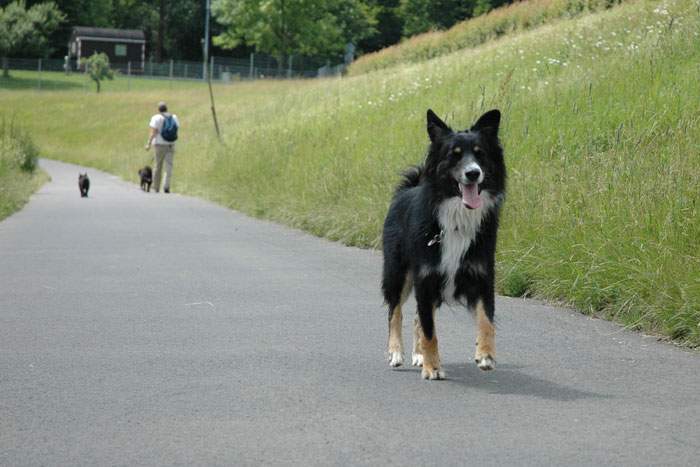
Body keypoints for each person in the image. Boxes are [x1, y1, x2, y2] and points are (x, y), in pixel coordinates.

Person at [145, 101, 180, 193]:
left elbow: (153, 132)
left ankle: (156, 187)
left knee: (157, 166)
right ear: (166, 108)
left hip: (159, 145)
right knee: (169, 166)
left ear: (158, 109)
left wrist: (148, 143)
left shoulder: (156, 117)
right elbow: (176, 129)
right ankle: (166, 186)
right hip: (171, 145)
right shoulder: (174, 117)